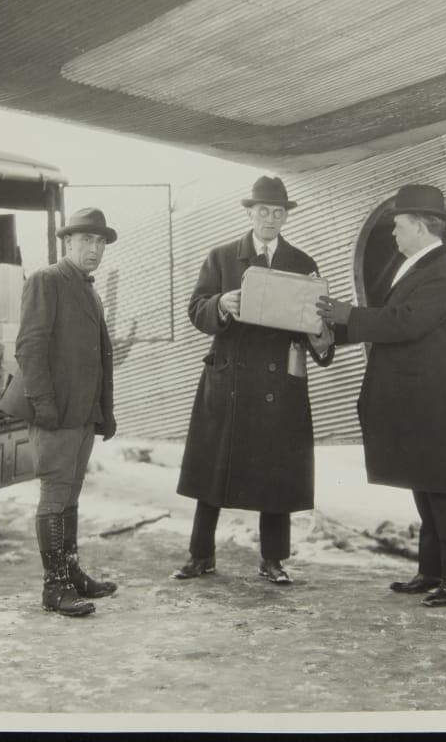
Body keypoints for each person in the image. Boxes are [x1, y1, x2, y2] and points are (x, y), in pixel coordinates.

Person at [316, 184, 446, 607]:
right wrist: (339, 327)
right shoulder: (424, 266)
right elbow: (395, 322)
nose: (394, 234)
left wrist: (346, 315)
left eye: (400, 226)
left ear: (423, 228)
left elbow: (403, 323)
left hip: (437, 400)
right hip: (424, 399)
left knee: (444, 490)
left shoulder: (443, 271)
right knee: (426, 485)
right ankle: (431, 570)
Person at [173, 175, 333, 585]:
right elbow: (195, 309)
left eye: (278, 212)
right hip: (230, 379)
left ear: (285, 217)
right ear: (250, 212)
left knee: (275, 474)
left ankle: (273, 560)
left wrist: (319, 330)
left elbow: (318, 324)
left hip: (278, 385)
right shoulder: (222, 256)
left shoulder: (303, 262)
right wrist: (220, 304)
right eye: (263, 211)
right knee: (213, 473)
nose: (270, 218)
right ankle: (200, 555)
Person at [1, 207, 119, 617]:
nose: (94, 249)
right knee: (55, 494)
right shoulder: (46, 280)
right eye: (86, 240)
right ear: (67, 243)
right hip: (55, 411)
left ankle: (71, 573)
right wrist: (44, 405)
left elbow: (99, 356)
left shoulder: (88, 289)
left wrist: (104, 411)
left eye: (100, 242)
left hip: (82, 412)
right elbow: (29, 347)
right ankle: (55, 587)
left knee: (70, 492)